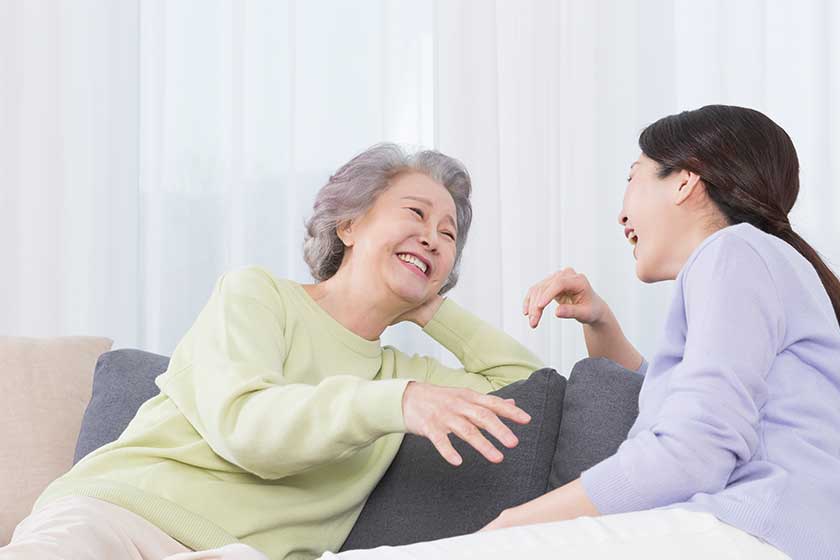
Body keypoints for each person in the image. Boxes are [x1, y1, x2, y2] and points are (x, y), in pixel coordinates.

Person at [326, 106, 840, 560]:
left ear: (685, 181)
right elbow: (682, 404)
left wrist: (516, 524)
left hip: (756, 529)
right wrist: (601, 324)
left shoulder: (733, 253)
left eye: (633, 177)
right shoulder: (766, 264)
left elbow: (693, 450)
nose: (621, 212)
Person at [1, 144, 543, 560]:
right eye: (416, 215)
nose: (433, 238)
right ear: (350, 224)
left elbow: (533, 391)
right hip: (116, 518)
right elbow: (248, 429)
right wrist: (395, 402)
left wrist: (433, 305)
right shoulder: (258, 296)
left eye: (448, 236)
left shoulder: (405, 374)